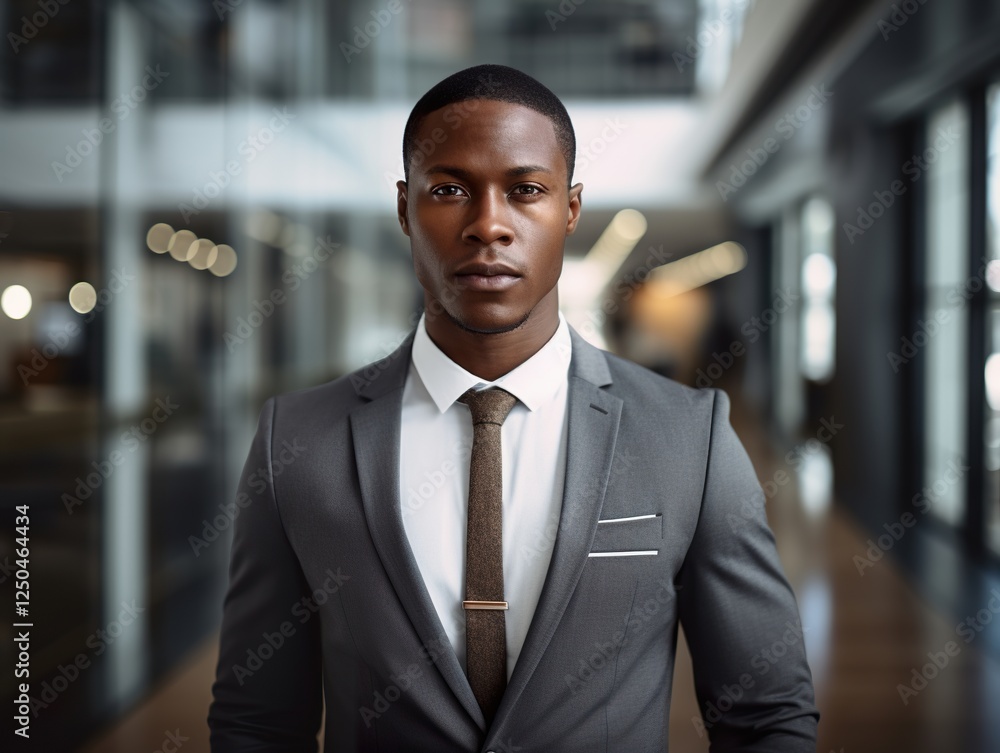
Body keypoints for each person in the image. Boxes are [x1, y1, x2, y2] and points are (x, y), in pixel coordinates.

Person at [208, 63, 819, 752]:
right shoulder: (297, 439)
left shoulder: (689, 436)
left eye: (525, 189)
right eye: (449, 190)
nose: (488, 225)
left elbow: (766, 714)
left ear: (570, 209)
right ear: (405, 208)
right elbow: (257, 720)